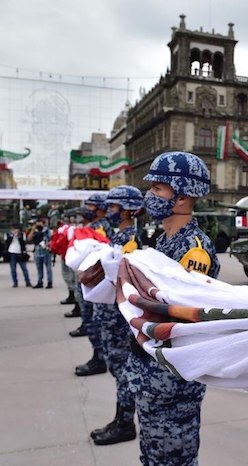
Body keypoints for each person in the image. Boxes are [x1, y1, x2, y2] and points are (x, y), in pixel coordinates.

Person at [126, 151, 220, 465]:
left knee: (173, 458)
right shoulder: (165, 240)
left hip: (170, 379)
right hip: (152, 374)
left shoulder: (193, 248)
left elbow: (180, 312)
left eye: (158, 189)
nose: (149, 195)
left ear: (181, 197)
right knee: (154, 454)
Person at [80, 185, 144, 446]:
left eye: (114, 207)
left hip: (118, 318)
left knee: (122, 370)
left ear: (129, 210)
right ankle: (120, 418)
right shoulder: (119, 235)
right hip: (109, 313)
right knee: (116, 368)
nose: (109, 212)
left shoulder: (130, 239)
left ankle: (125, 422)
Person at [72, 193, 110, 377]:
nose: (88, 209)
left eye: (91, 206)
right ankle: (98, 355)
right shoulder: (93, 226)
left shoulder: (100, 227)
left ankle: (99, 358)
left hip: (95, 281)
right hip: (89, 279)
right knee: (91, 321)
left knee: (94, 322)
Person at [5, 223, 32, 288]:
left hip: (20, 253)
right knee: (13, 269)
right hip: (12, 252)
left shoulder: (22, 235)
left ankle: (27, 281)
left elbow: (24, 243)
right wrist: (12, 236)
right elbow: (7, 242)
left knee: (24, 268)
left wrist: (18, 236)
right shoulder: (8, 234)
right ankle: (15, 282)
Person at [27, 219, 52, 289]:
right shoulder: (35, 231)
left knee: (48, 268)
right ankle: (40, 282)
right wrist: (33, 229)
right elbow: (29, 238)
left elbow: (51, 239)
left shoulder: (46, 231)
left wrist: (48, 244)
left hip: (46, 251)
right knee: (39, 268)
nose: (38, 224)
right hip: (37, 252)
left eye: (39, 223)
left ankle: (49, 282)